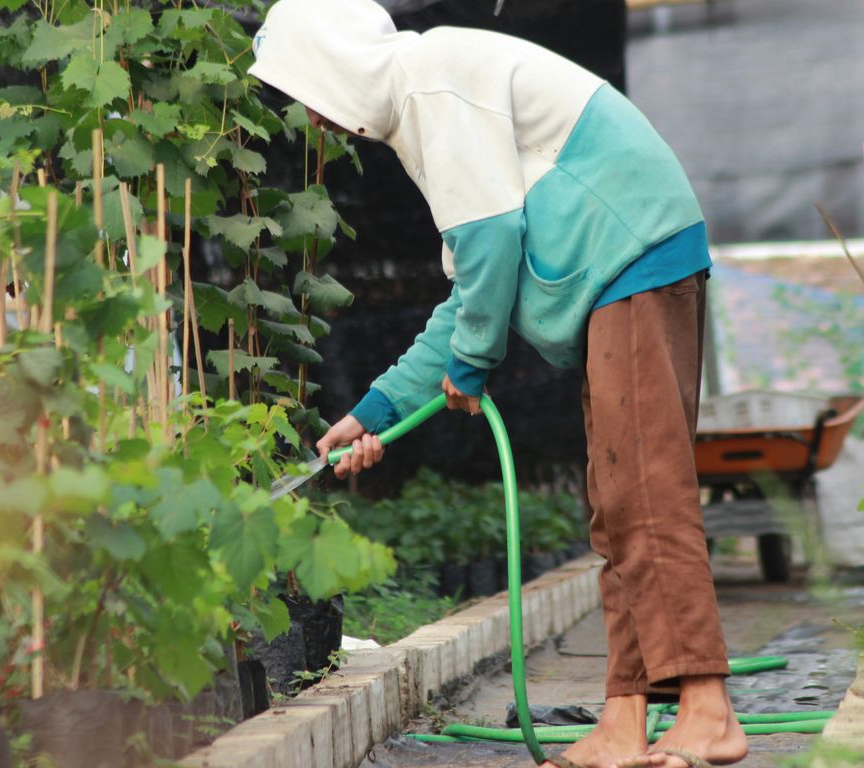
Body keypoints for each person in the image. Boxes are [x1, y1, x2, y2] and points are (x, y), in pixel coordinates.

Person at [250, 2, 746, 766]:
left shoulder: (429, 82)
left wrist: (472, 367)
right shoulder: (427, 102)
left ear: (331, 64)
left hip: (632, 254)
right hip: (613, 274)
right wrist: (375, 409)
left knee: (647, 492)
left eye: (306, 94)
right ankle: (623, 720)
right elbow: (466, 297)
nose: (313, 121)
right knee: (616, 510)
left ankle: (708, 709)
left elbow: (491, 242)